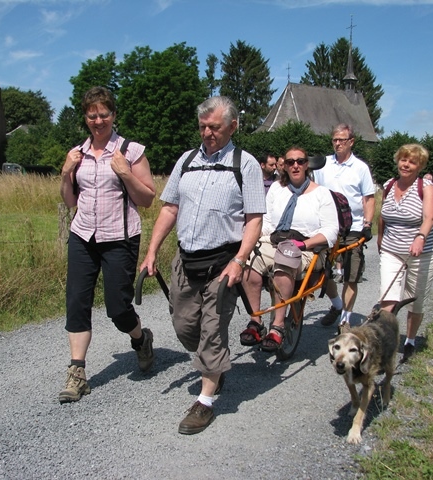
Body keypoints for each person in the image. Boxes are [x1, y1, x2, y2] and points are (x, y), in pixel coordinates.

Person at [140, 96, 265, 435]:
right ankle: (215, 365)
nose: (208, 133)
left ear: (233, 127)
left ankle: (205, 401)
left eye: (215, 127)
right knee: (185, 328)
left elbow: (254, 220)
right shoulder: (187, 160)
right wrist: (151, 252)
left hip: (223, 264)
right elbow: (169, 209)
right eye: (203, 127)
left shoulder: (246, 164)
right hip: (186, 260)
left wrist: (239, 261)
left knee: (212, 332)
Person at [58, 86, 156, 403]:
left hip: (120, 238)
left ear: (113, 115)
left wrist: (126, 174)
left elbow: (148, 200)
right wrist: (64, 174)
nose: (98, 120)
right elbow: (71, 200)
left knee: (118, 307)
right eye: (92, 115)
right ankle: (77, 374)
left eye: (104, 114)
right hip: (83, 236)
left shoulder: (131, 151)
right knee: (76, 302)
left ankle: (140, 339)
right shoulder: (77, 154)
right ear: (85, 118)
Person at [239, 146, 339, 351]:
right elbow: (266, 223)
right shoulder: (277, 189)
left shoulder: (322, 194)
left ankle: (277, 326)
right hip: (276, 239)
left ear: (307, 165)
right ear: (284, 165)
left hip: (308, 247)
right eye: (290, 162)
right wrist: (250, 237)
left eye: (300, 161)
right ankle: (255, 321)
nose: (295, 165)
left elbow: (330, 231)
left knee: (286, 256)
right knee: (248, 259)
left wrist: (304, 244)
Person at [377, 144, 433, 363]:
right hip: (391, 250)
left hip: (422, 252)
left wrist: (420, 238)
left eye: (412, 162)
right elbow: (382, 216)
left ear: (420, 166)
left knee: (415, 299)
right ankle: (385, 342)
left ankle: (411, 340)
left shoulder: (426, 187)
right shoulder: (388, 185)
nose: (406, 164)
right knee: (388, 297)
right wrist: (380, 240)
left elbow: (429, 218)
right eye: (404, 160)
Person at [312, 123, 375, 327]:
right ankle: (337, 305)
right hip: (326, 226)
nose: (337, 144)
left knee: (351, 275)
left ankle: (345, 321)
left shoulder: (360, 168)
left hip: (353, 228)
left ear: (351, 142)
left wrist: (367, 223)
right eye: (334, 140)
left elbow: (368, 198)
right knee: (321, 271)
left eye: (342, 140)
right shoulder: (324, 164)